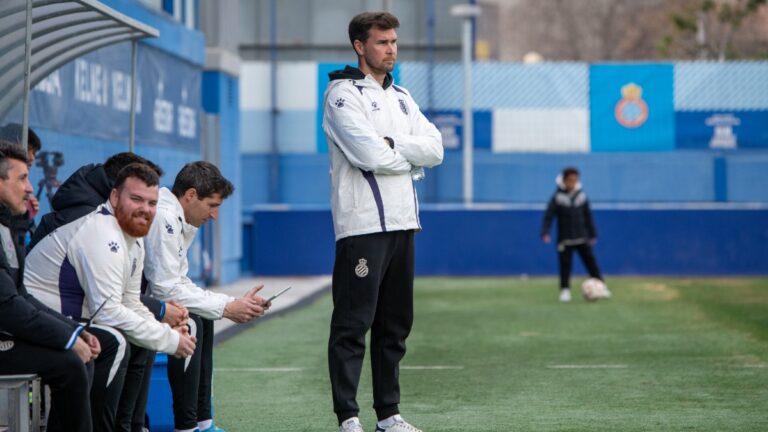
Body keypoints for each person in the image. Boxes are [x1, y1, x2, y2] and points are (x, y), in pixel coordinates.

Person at [322, 11, 444, 432]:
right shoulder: (342, 94)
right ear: (360, 46)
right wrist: (408, 160)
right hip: (363, 228)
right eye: (381, 42)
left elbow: (436, 148)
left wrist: (396, 146)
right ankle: (348, 416)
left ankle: (388, 415)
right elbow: (368, 155)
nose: (390, 49)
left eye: (393, 41)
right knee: (354, 324)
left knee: (395, 326)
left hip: (403, 225)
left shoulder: (403, 96)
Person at [24, 163, 197, 431]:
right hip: (38, 322)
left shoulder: (133, 236)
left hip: (70, 319)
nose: (145, 209)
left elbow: (131, 302)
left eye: (152, 203)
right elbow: (108, 312)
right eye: (136, 199)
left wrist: (161, 331)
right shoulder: (101, 232)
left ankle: (128, 427)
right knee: (115, 341)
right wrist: (171, 340)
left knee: (141, 339)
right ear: (115, 197)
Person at [143, 161, 269, 432]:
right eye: (212, 205)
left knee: (203, 317)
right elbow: (165, 290)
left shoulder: (178, 218)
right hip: (135, 303)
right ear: (190, 195)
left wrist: (227, 304)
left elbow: (181, 283)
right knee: (191, 323)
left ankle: (203, 422)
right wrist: (227, 308)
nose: (214, 216)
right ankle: (186, 427)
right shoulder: (164, 218)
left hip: (148, 299)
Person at [0, 141, 99, 432]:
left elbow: (20, 295)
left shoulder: (6, 227)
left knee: (83, 356)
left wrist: (74, 331)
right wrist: (67, 340)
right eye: (21, 178)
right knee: (70, 363)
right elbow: (8, 307)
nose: (30, 187)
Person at [541, 167, 608, 302]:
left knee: (591, 262)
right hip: (565, 238)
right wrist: (545, 231)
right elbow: (549, 216)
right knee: (565, 265)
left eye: (575, 180)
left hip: (581, 236)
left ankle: (601, 287)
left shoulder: (581, 196)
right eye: (570, 180)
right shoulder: (557, 197)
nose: (573, 182)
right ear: (564, 181)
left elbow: (588, 216)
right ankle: (565, 290)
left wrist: (592, 233)